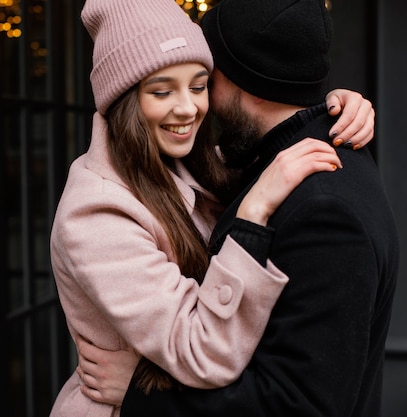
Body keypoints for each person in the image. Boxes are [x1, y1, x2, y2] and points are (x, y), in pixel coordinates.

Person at [50, 0, 377, 416]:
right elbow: (201, 353)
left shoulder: (187, 165)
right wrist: (252, 213)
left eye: (199, 84)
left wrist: (331, 104)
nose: (188, 108)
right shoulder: (95, 212)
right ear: (123, 99)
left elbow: (254, 142)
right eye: (162, 91)